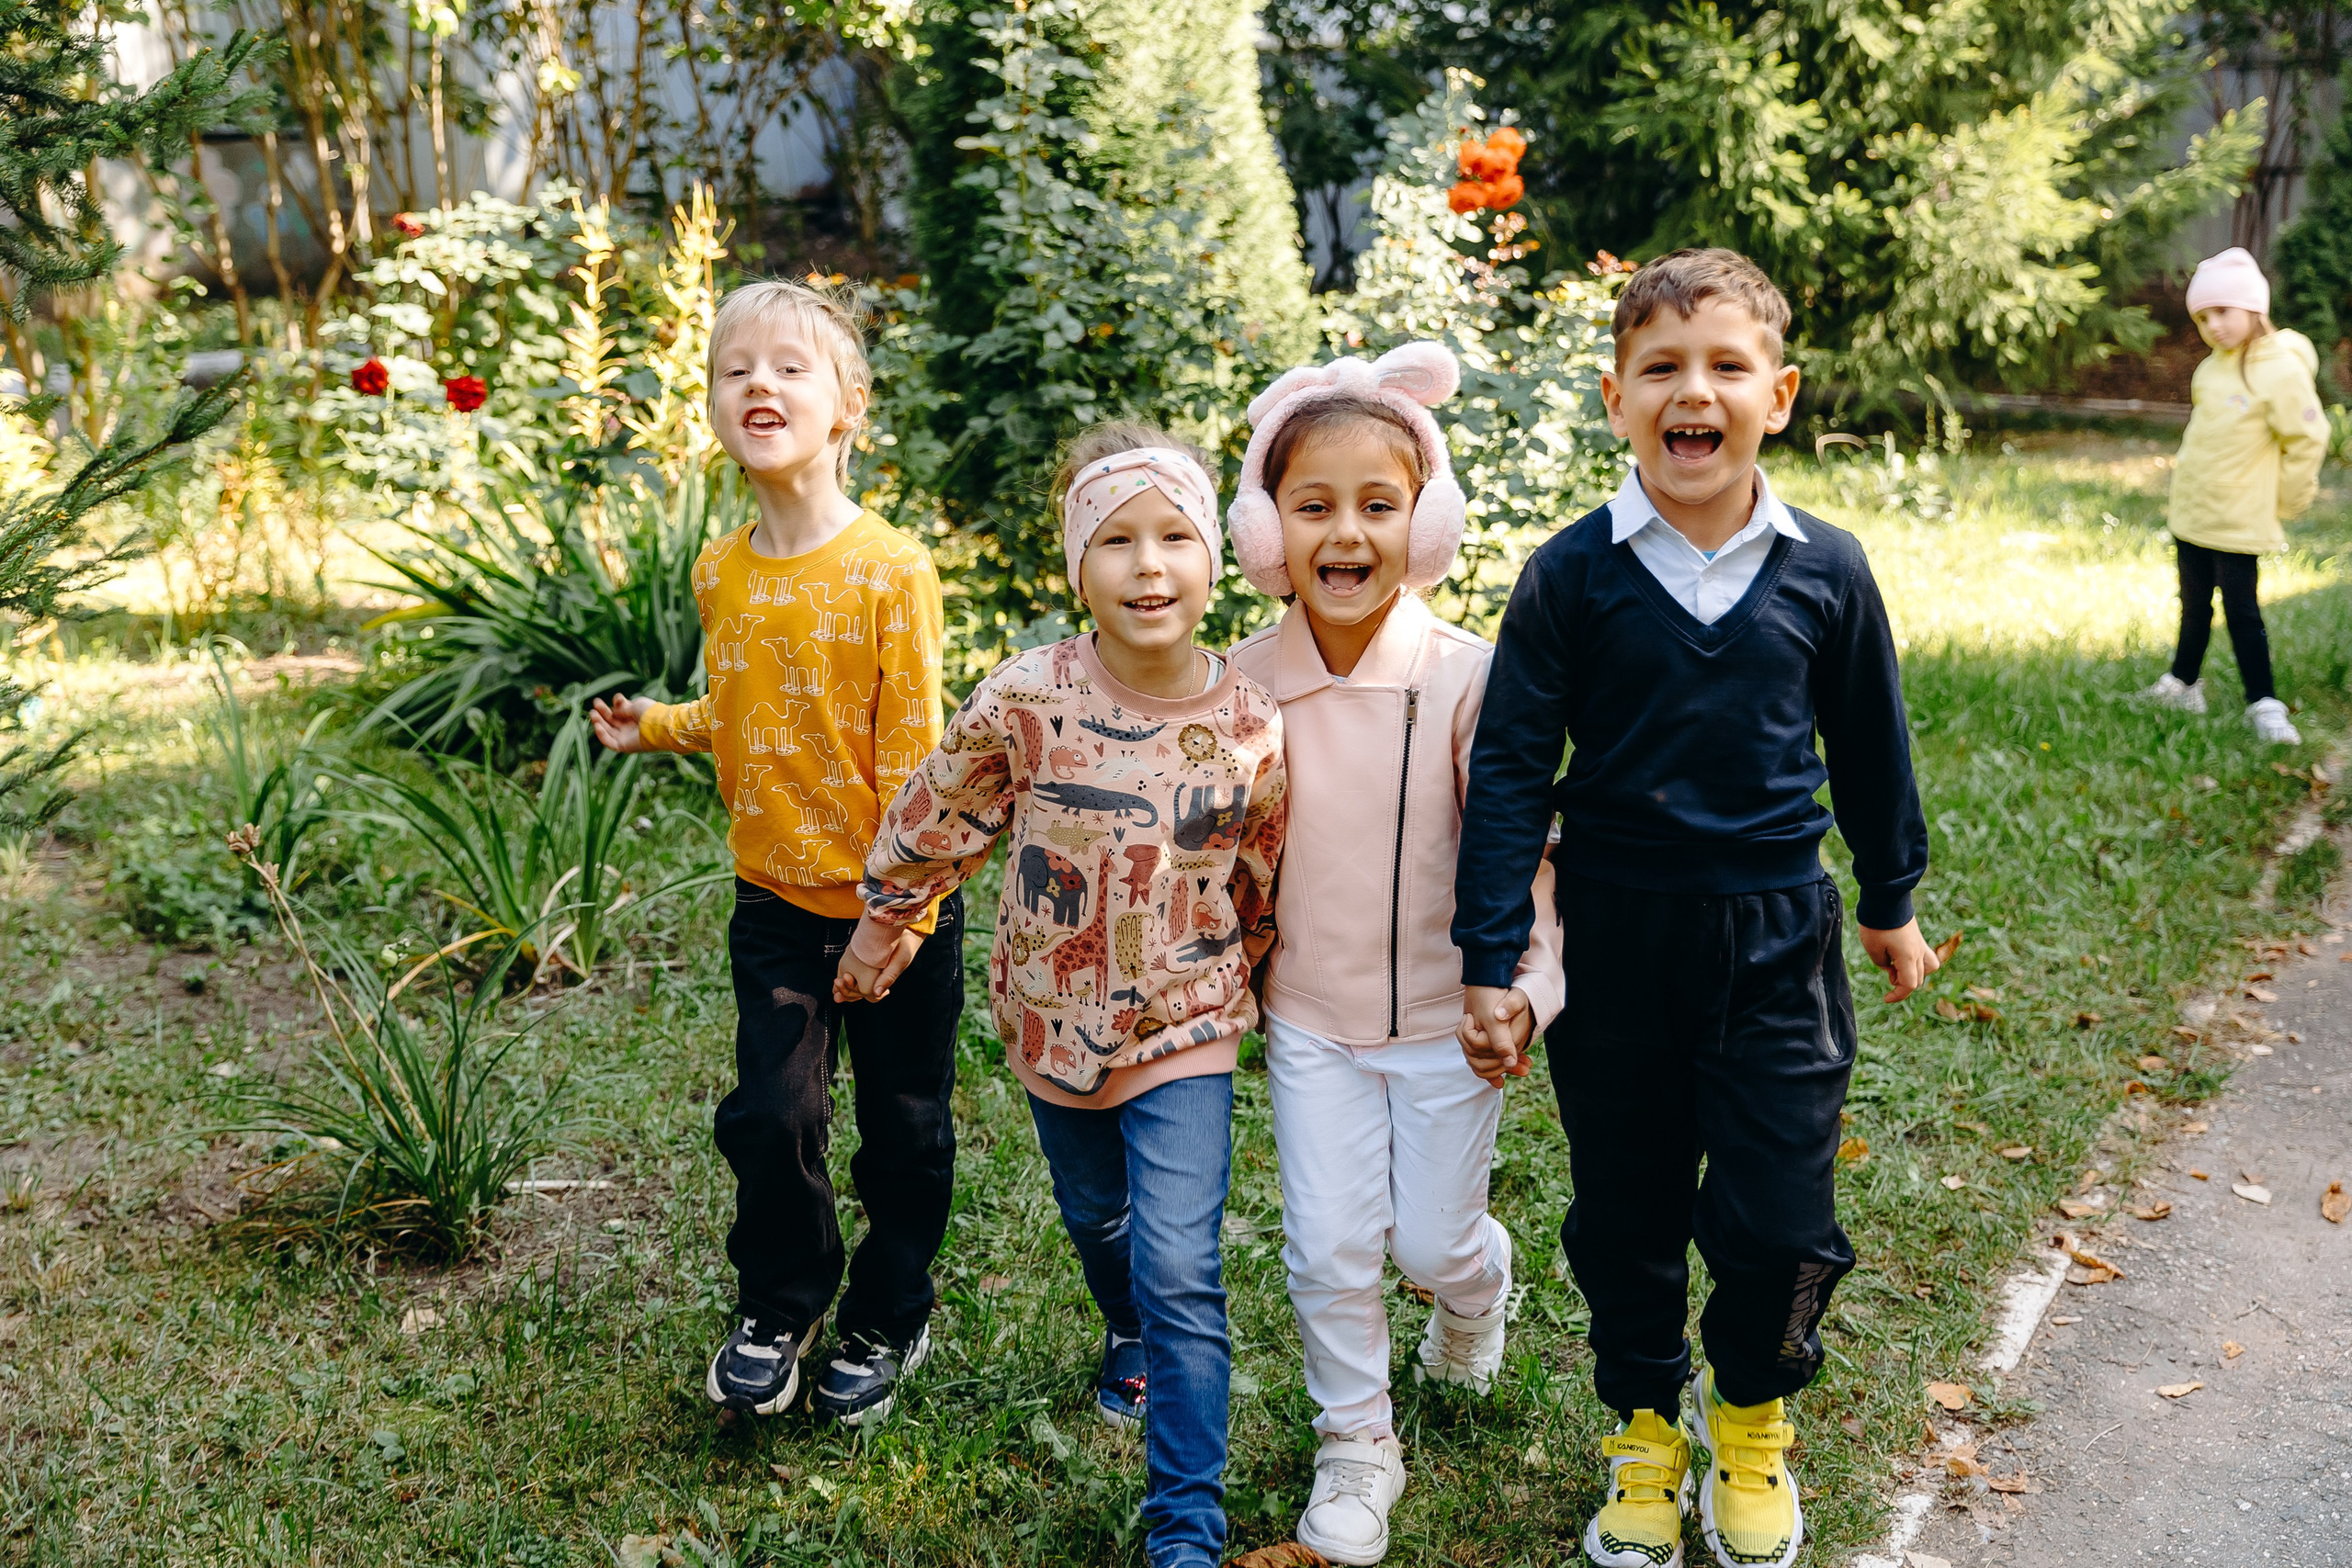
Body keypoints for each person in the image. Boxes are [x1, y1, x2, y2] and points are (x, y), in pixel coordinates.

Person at [1451, 248, 1937, 1568]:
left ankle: (1752, 1414)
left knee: (1781, 1217)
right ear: (1617, 399)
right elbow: (1508, 769)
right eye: (1662, 367)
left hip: (1780, 938)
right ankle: (1643, 1437)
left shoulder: (1828, 569)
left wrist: (1891, 897)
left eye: (1725, 366)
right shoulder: (1573, 575)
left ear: (1776, 395)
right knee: (1627, 1208)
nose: (1694, 390)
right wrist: (1492, 949)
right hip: (1617, 940)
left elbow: (1873, 744)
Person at [843, 423, 1287, 1568]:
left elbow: (1261, 872)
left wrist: (1275, 991)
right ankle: (1124, 1319)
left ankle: (1184, 1523)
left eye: (1175, 538)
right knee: (1101, 1222)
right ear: (1076, 567)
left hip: (1187, 1019)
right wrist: (889, 916)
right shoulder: (1027, 697)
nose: (1149, 566)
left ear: (1215, 558)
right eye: (1118, 541)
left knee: (1182, 1260)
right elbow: (943, 810)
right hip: (1053, 1013)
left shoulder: (1246, 722)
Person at [589, 277, 962, 1427]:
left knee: (902, 1130)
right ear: (708, 406)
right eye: (733, 368)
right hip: (773, 906)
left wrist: (891, 921)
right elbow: (740, 707)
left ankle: (891, 1310)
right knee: (770, 1116)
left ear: (848, 406)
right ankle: (781, 1301)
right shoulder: (721, 571)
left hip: (892, 910)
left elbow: (918, 761)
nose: (759, 383)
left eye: (791, 367)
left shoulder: (890, 569)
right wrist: (652, 724)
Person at [1224, 343, 1565, 1567]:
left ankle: (1475, 1289)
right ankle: (1356, 1441)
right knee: (1324, 1241)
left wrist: (1524, 990)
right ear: (1266, 529)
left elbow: (1526, 860)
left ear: (1426, 525)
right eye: (1313, 505)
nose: (1347, 532)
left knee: (1429, 1240)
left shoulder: (1474, 680)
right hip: (1309, 1014)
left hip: (1444, 1020)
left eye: (1379, 505)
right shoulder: (1242, 685)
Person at [2141, 245, 2325, 746]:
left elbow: (2308, 439)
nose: (2213, 325)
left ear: (2253, 308)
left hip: (2239, 518)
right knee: (2193, 605)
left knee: (2243, 611)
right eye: (2202, 317)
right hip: (2193, 512)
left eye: (2222, 311)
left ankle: (2264, 703)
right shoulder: (2211, 369)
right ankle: (2184, 681)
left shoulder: (2281, 371)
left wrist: (2287, 501)